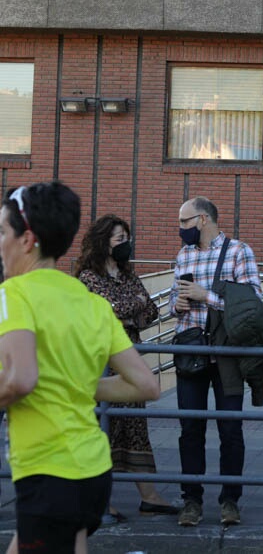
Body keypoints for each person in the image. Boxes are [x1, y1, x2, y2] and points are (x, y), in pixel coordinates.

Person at [0, 182, 159, 552]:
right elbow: (145, 385)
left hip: (49, 470)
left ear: (27, 241)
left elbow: (20, 379)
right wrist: (75, 385)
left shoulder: (14, 294)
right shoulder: (90, 303)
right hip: (93, 471)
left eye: (3, 232)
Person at [76, 214, 178, 519]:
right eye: (119, 239)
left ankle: (149, 496)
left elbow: (150, 310)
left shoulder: (128, 275)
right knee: (103, 428)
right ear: (103, 243)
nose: (125, 245)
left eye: (126, 238)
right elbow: (107, 311)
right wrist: (126, 309)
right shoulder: (88, 278)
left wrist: (123, 311)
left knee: (135, 425)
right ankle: (99, 501)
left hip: (130, 359)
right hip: (101, 362)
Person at [170, 196, 262, 528]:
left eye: (184, 222)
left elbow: (252, 303)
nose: (180, 229)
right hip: (191, 350)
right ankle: (191, 500)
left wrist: (203, 296)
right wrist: (177, 303)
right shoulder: (183, 255)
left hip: (227, 352)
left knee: (230, 430)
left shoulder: (239, 252)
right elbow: (172, 301)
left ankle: (230, 501)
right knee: (189, 430)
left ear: (203, 219)